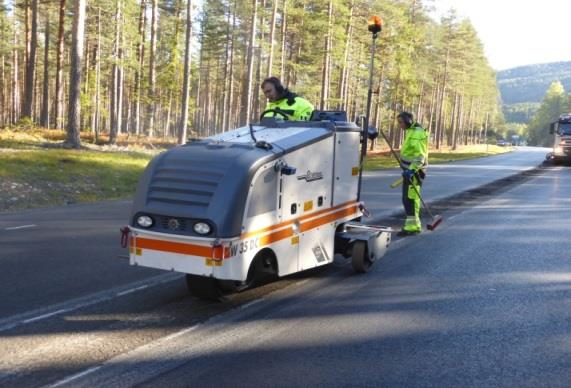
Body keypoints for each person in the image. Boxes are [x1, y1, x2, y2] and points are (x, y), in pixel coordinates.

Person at [397, 111, 429, 237]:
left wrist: (411, 170)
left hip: (414, 172)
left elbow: (420, 156)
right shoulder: (412, 131)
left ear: (408, 121)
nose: (400, 125)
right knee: (409, 199)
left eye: (401, 122)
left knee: (410, 199)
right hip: (408, 171)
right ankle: (414, 225)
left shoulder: (417, 133)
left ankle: (412, 227)